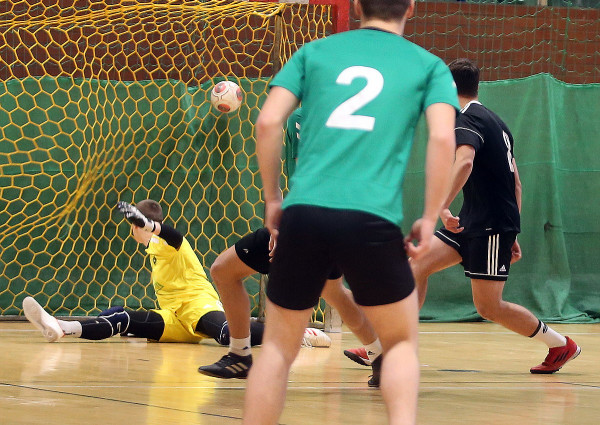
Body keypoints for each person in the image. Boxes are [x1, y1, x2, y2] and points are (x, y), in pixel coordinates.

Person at [242, 0, 459, 422]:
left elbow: (267, 123)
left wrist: (273, 199)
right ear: (411, 8)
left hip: (304, 213)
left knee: (277, 349)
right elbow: (441, 138)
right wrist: (431, 216)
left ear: (357, 5)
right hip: (371, 217)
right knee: (399, 343)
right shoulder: (429, 66)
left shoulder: (314, 52)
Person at [409, 58, 581, 374]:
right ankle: (388, 346)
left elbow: (464, 162)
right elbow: (516, 183)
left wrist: (440, 207)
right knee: (416, 266)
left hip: (488, 226)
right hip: (473, 221)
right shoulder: (498, 123)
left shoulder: (465, 119)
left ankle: (560, 344)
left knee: (489, 307)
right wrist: (513, 230)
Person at [198, 107, 383, 380]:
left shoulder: (304, 116)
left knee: (224, 271)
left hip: (310, 218)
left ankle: (240, 356)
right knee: (333, 292)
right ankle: (381, 355)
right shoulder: (355, 115)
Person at [23, 200, 266, 346]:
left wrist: (150, 226)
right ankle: (61, 327)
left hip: (199, 307)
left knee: (227, 335)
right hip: (174, 318)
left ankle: (282, 334)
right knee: (122, 318)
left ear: (136, 226)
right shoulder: (153, 249)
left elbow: (175, 236)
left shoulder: (166, 244)